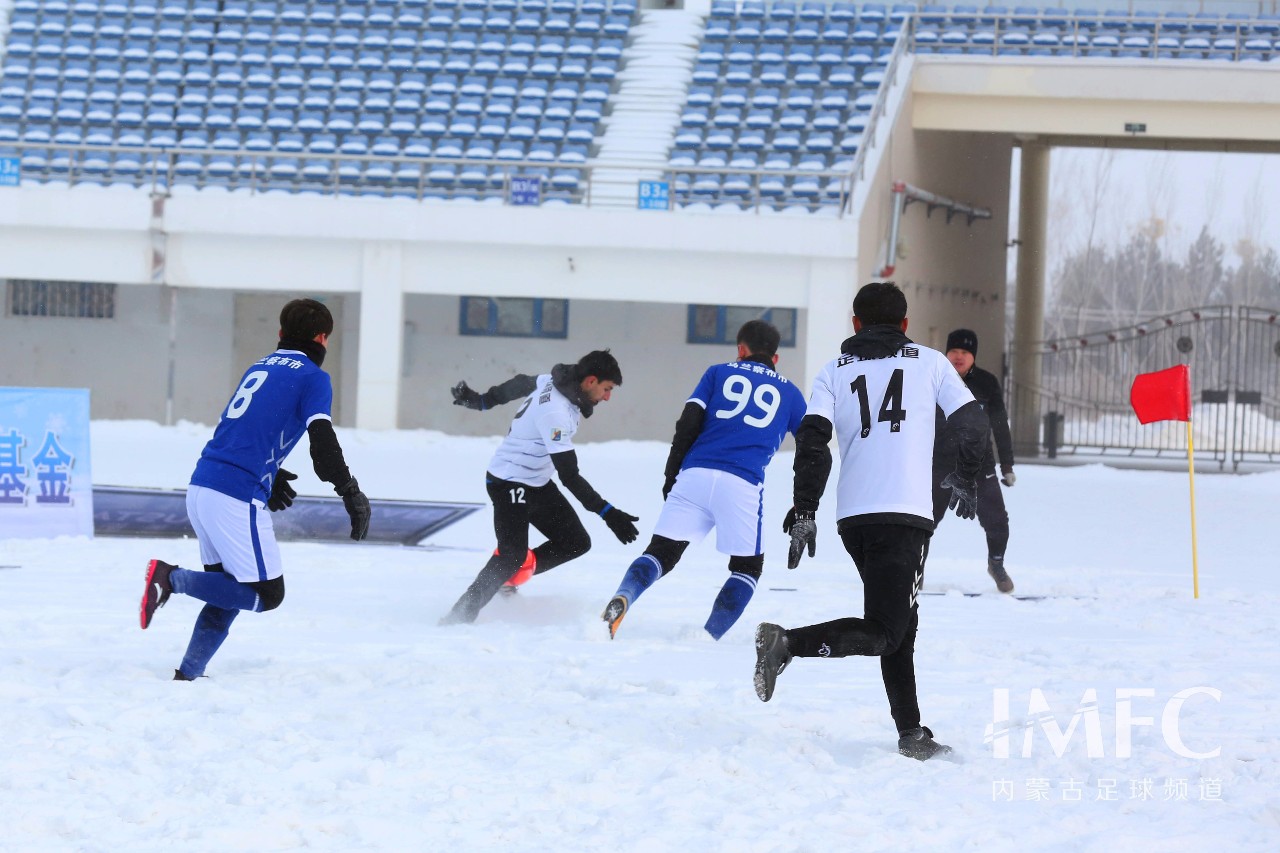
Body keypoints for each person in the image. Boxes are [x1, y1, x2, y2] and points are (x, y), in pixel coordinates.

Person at [753, 281, 987, 761]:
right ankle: (787, 643)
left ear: (855, 324)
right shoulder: (929, 362)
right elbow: (972, 423)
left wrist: (805, 509)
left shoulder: (833, 371)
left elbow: (812, 441)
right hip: (905, 517)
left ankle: (911, 732)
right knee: (886, 630)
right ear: (905, 325)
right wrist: (965, 475)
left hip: (853, 520)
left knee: (900, 624)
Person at [139, 298, 371, 681]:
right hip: (234, 495)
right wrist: (350, 490)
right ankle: (169, 577)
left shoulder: (260, 366)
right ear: (322, 338)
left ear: (280, 334)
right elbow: (323, 445)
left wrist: (273, 472)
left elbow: (243, 428)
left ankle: (189, 673)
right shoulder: (314, 377)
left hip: (203, 485)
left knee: (226, 588)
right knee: (267, 594)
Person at [601, 320, 807, 641]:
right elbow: (811, 449)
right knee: (747, 569)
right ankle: (708, 636)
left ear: (741, 350)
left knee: (661, 553)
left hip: (695, 474)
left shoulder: (717, 373)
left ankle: (624, 595)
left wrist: (672, 474)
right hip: (743, 483)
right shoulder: (791, 394)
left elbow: (688, 423)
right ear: (775, 358)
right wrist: (803, 503)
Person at [441, 350, 639, 625]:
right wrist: (608, 513)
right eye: (607, 389)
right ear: (591, 381)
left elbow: (520, 383)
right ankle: (460, 615)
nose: (607, 397)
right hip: (508, 481)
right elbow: (569, 476)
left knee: (575, 543)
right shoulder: (555, 413)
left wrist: (483, 401)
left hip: (537, 482)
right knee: (511, 554)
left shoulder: (552, 380)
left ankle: (508, 579)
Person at [931, 329, 1017, 593]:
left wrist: (1007, 464)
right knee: (924, 520)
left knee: (997, 521)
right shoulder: (933, 379)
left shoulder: (987, 383)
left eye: (965, 353)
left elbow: (1000, 425)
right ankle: (914, 567)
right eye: (954, 351)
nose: (958, 357)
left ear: (973, 357)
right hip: (940, 464)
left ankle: (996, 563)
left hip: (980, 465)